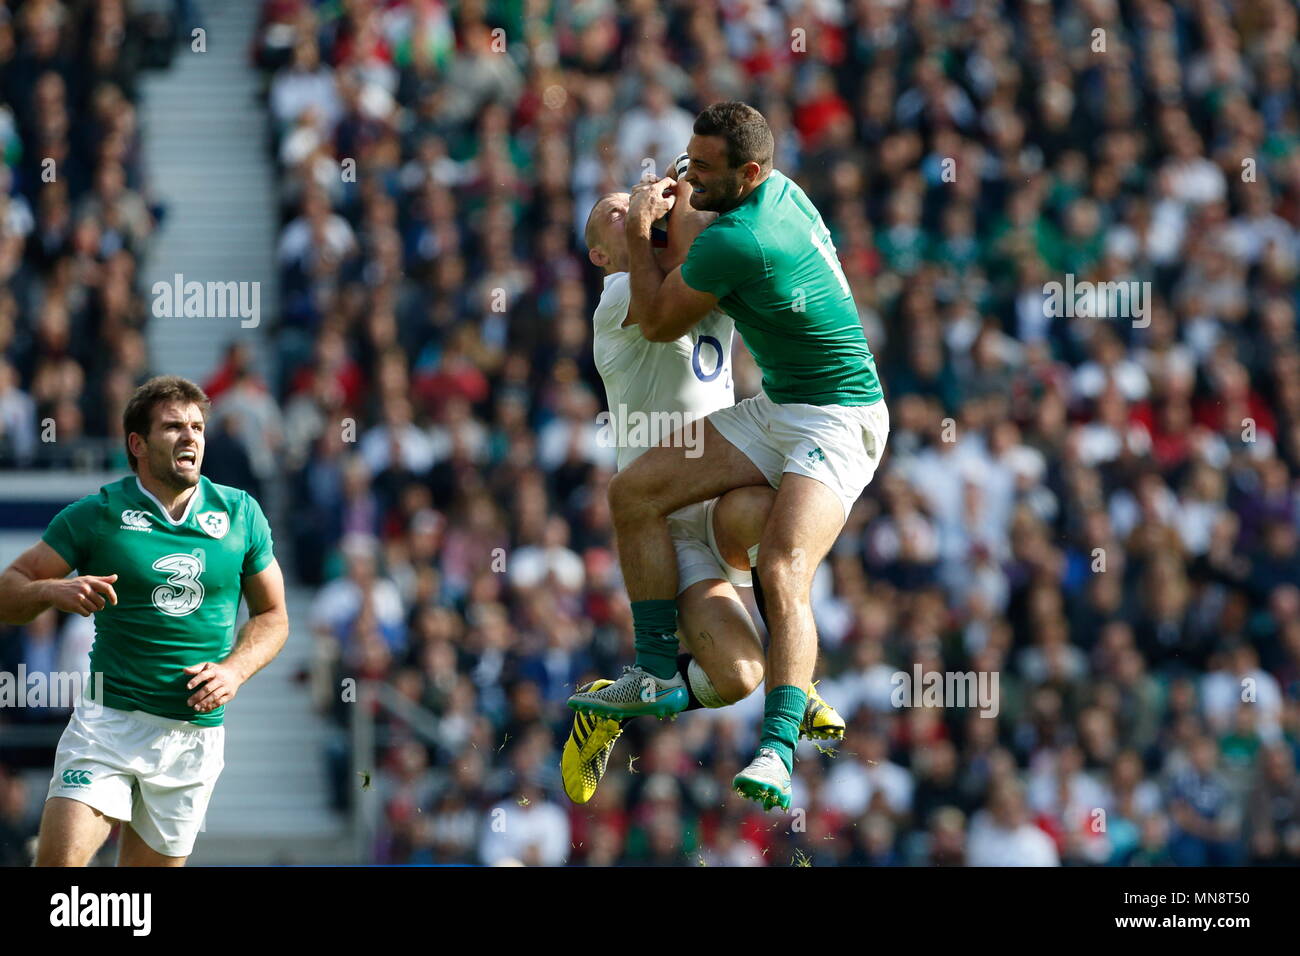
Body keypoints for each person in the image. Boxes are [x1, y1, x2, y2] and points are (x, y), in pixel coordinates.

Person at [569, 102, 888, 811]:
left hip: (793, 437)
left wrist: (669, 204)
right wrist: (661, 211)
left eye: (701, 169)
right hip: (691, 508)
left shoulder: (718, 253)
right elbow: (661, 300)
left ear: (746, 172)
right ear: (601, 254)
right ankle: (668, 684)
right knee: (736, 674)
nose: (643, 206)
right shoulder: (622, 292)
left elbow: (695, 244)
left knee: (778, 555)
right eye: (616, 216)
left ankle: (769, 715)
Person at [0, 376, 289, 865]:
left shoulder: (241, 513)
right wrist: (53, 590)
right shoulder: (96, 515)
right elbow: (9, 592)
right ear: (138, 443)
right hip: (109, 724)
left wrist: (234, 671)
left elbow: (274, 616)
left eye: (197, 426)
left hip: (193, 738)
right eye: (174, 426)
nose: (191, 437)